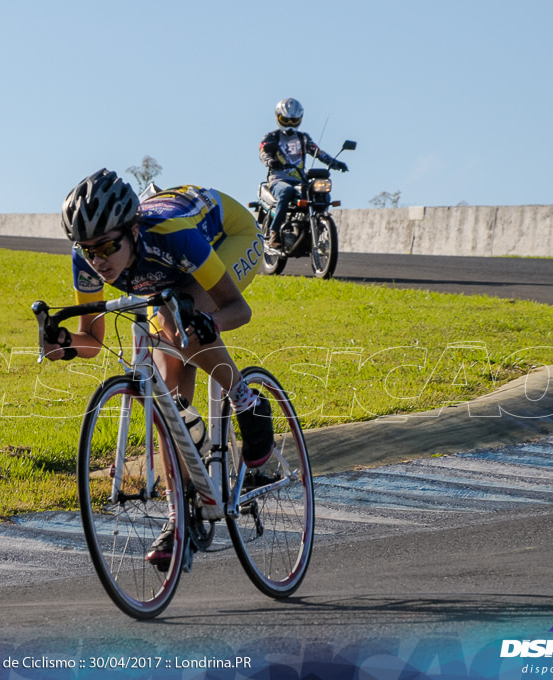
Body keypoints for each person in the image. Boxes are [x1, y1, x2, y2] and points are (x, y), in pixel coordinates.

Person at [44, 168, 274, 566]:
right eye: (87, 250)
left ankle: (247, 400)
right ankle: (179, 518)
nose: (97, 260)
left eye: (106, 247)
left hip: (228, 236)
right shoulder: (87, 257)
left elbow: (239, 309)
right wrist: (63, 345)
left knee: (177, 323)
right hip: (168, 278)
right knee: (170, 406)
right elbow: (93, 341)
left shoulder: (170, 234)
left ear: (132, 231)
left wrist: (210, 323)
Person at [259, 97, 348, 248]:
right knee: (286, 191)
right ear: (278, 118)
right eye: (286, 120)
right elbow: (263, 152)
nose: (290, 124)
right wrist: (270, 161)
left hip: (300, 181)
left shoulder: (303, 138)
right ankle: (274, 233)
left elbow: (318, 153)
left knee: (321, 194)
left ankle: (317, 225)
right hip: (278, 180)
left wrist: (335, 162)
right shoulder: (271, 137)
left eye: (294, 121)